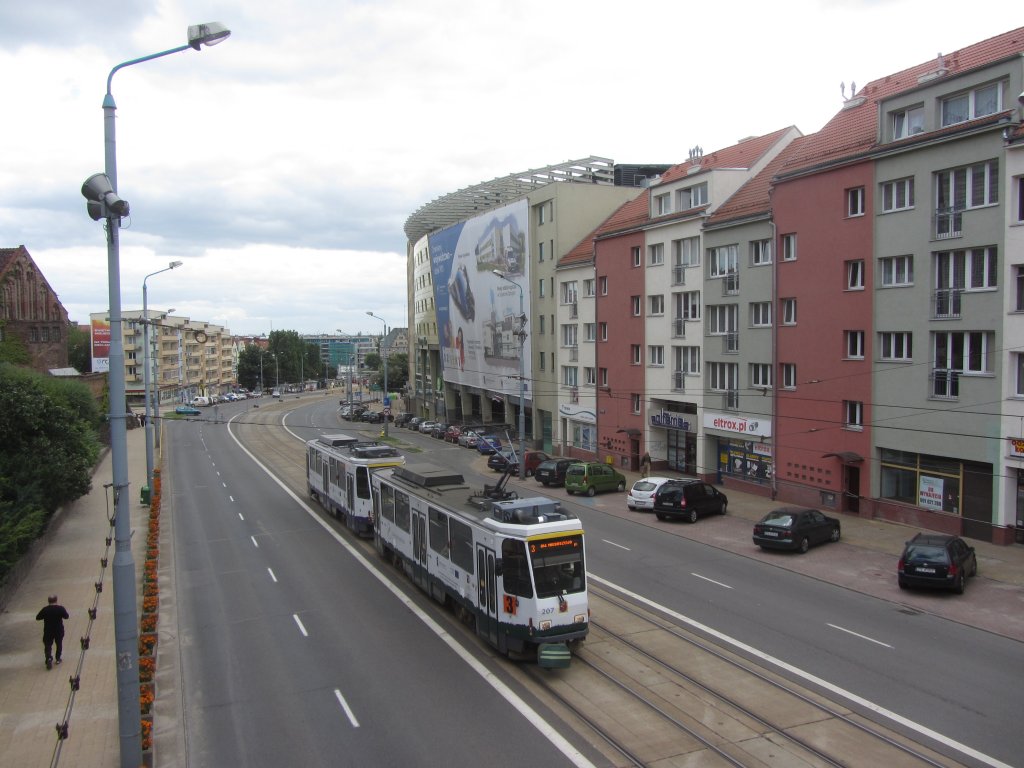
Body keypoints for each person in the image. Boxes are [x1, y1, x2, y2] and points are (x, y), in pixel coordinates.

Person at [36, 595, 69, 670]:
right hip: (58, 630)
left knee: (48, 645)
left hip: (48, 630)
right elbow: (66, 616)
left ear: (48, 601)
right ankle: (58, 658)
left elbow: (38, 617)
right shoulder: (60, 608)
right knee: (59, 643)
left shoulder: (45, 610)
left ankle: (48, 658)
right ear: (56, 600)